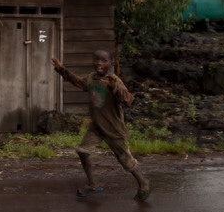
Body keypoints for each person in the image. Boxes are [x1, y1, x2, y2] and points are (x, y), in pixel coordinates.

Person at [51, 51, 151, 201]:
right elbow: (78, 81)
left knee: (125, 159)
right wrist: (61, 69)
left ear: (110, 63)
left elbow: (128, 100)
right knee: (83, 151)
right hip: (97, 126)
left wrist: (114, 87)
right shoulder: (91, 78)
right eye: (96, 60)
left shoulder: (114, 80)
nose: (99, 63)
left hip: (112, 128)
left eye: (104, 61)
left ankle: (143, 183)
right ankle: (93, 184)